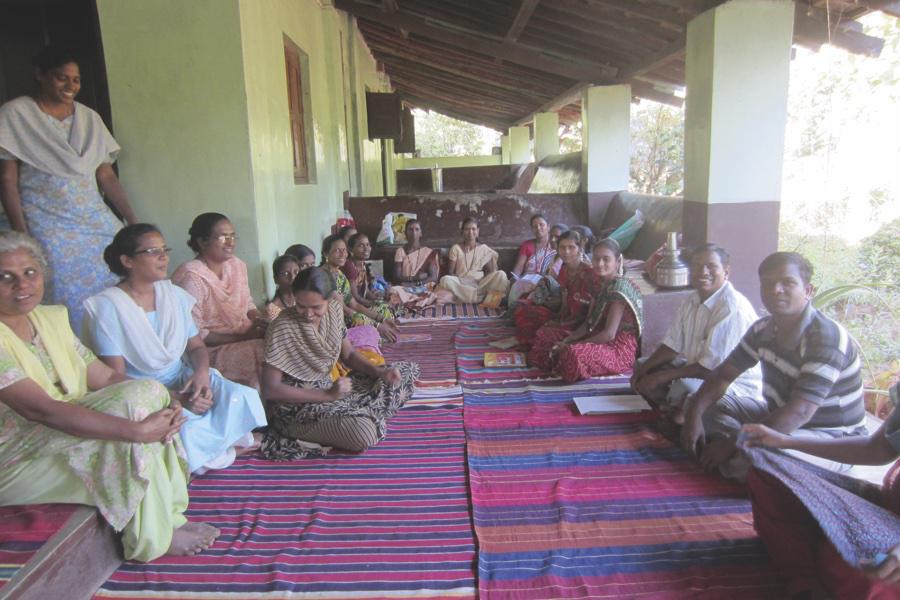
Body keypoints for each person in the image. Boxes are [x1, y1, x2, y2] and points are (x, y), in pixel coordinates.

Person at [0, 231, 219, 561]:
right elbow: (42, 410)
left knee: (146, 394)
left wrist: (167, 398)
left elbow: (102, 375)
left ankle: (169, 517)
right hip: (16, 452)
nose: (23, 285)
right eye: (6, 277)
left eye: (30, 272)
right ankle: (153, 538)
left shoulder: (50, 318)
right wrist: (136, 430)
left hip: (56, 431)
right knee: (130, 432)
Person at [83, 224, 267, 475]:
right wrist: (174, 398)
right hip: (143, 393)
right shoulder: (107, 308)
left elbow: (196, 347)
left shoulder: (173, 296)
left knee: (242, 396)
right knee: (187, 432)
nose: (164, 257)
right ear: (127, 260)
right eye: (152, 251)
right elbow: (115, 378)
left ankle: (216, 449)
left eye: (164, 249)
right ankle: (228, 450)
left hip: (183, 378)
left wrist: (201, 376)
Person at [681, 252, 868, 480]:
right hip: (775, 417)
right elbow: (722, 375)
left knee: (765, 460)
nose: (775, 290)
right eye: (768, 284)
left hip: (830, 438)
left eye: (787, 283)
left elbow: (799, 412)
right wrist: (694, 415)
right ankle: (736, 459)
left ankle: (737, 459)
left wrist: (733, 443)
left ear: (808, 291)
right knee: (697, 402)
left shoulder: (825, 338)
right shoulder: (763, 329)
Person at [0, 46, 137, 333]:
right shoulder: (16, 115)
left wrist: (133, 222)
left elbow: (106, 176)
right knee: (61, 287)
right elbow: (8, 180)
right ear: (40, 75)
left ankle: (115, 347)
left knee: (125, 265)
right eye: (61, 78)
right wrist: (20, 233)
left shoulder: (89, 119)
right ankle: (76, 354)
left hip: (91, 216)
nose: (70, 86)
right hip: (46, 221)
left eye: (75, 80)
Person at [739, 382, 900, 599]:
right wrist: (785, 442)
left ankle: (819, 567)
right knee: (769, 474)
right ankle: (805, 584)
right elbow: (878, 448)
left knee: (863, 567)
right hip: (885, 507)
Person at [260, 267, 419, 460]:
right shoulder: (282, 327)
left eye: (316, 307)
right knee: (364, 433)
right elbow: (270, 389)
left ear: (329, 299)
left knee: (406, 372)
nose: (308, 314)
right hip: (298, 410)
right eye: (301, 306)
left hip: (333, 391)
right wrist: (325, 395)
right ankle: (362, 416)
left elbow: (349, 354)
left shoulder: (334, 312)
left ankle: (359, 413)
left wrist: (379, 373)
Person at [631, 244, 762, 414]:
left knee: (685, 387)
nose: (703, 271)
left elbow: (711, 368)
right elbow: (671, 346)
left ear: (726, 272)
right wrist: (643, 370)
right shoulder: (692, 299)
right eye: (697, 266)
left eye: (711, 266)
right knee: (644, 365)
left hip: (730, 385)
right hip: (699, 369)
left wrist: (661, 377)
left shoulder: (731, 307)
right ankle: (673, 409)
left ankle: (678, 414)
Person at [172, 213, 266, 389]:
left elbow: (248, 303)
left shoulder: (236, 266)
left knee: (281, 343)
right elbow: (195, 334)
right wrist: (244, 337)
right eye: (223, 237)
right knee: (264, 352)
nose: (231, 242)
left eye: (232, 236)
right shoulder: (191, 278)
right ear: (202, 242)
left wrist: (261, 321)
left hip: (245, 337)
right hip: (209, 351)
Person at [529, 238, 643, 382]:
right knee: (546, 335)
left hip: (617, 347)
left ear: (618, 262)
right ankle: (558, 362)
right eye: (596, 259)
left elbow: (609, 334)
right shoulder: (597, 284)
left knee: (573, 353)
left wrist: (572, 345)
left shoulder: (619, 289)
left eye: (606, 259)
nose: (600, 264)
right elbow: (589, 323)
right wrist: (568, 339)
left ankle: (560, 364)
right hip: (596, 334)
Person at [513, 230, 588, 348]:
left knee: (544, 334)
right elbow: (564, 300)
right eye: (562, 247)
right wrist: (557, 318)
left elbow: (588, 311)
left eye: (571, 247)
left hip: (581, 323)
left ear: (579, 248)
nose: (566, 252)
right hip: (565, 315)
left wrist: (562, 323)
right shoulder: (564, 270)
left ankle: (537, 342)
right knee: (524, 310)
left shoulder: (589, 272)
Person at [437, 217, 509, 304]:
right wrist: (464, 280)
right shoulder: (456, 248)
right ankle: (482, 299)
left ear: (478, 231)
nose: (470, 232)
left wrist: (479, 281)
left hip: (479, 284)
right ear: (462, 232)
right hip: (462, 283)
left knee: (501, 275)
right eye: (467, 229)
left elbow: (490, 273)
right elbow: (450, 273)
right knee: (445, 280)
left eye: (473, 229)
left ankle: (468, 298)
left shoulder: (484, 249)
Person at [508, 214, 556, 308]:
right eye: (535, 226)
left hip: (545, 282)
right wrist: (514, 280)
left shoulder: (555, 246)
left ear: (548, 227)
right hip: (527, 282)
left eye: (541, 224)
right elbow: (518, 269)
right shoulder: (527, 245)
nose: (538, 228)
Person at [342, 233, 394, 320]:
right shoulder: (349, 266)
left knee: (389, 308)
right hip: (352, 309)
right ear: (350, 249)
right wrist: (374, 303)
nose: (366, 248)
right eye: (361, 246)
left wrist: (378, 300)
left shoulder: (362, 264)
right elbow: (355, 297)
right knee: (385, 313)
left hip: (361, 303)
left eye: (367, 244)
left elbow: (366, 291)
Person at [392, 219, 438, 286]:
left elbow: (433, 277)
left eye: (417, 229)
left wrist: (416, 284)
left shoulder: (428, 252)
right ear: (405, 233)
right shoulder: (400, 251)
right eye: (410, 230)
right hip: (405, 287)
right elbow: (397, 277)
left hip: (424, 286)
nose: (414, 233)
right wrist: (416, 278)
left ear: (421, 233)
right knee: (394, 291)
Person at [266, 254, 302, 319]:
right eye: (285, 273)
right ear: (275, 279)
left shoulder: (306, 300)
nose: (292, 277)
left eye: (296, 272)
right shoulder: (272, 309)